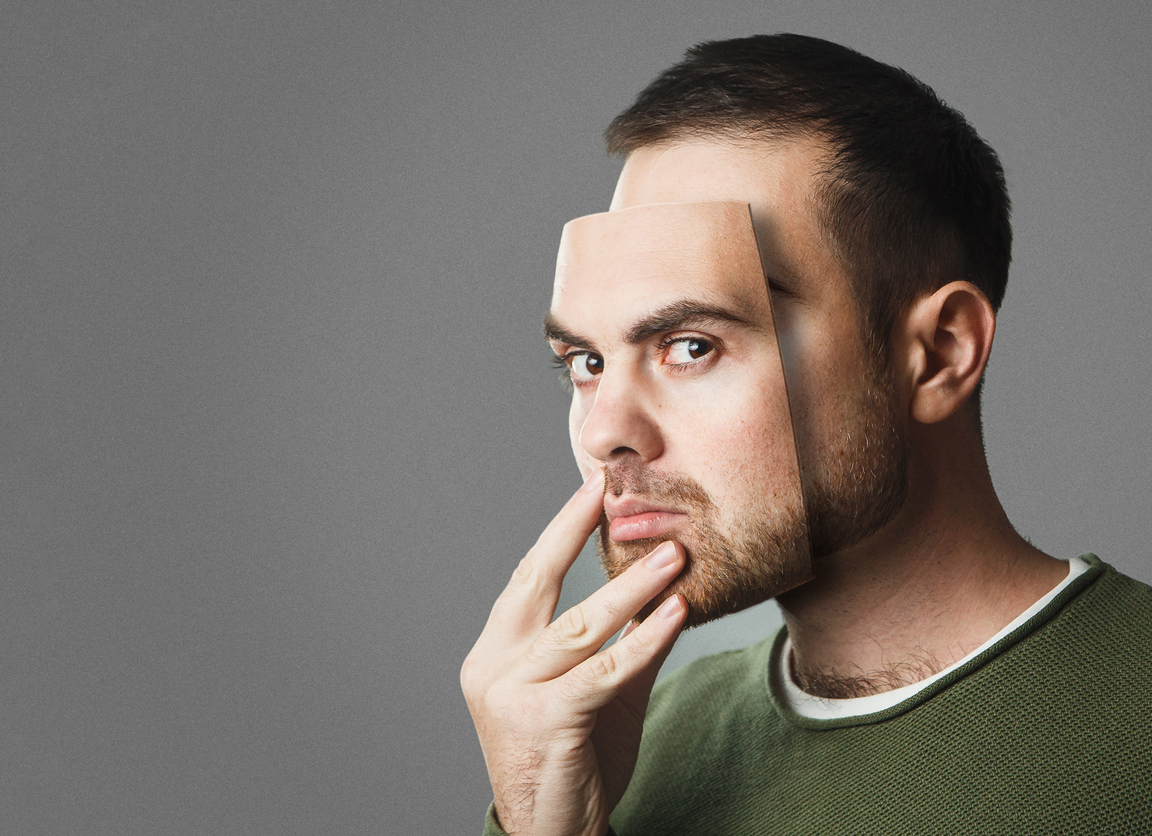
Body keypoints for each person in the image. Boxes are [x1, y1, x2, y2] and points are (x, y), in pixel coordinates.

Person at [461, 34, 1152, 835]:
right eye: (585, 360)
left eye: (691, 345)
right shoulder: (618, 752)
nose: (606, 430)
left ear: (938, 354)